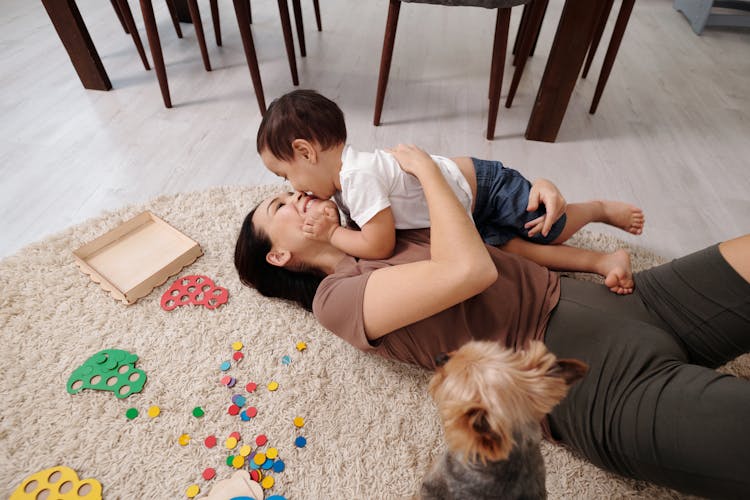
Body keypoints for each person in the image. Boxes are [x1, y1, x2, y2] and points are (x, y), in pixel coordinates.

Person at [235, 144, 750, 499]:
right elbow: (470, 269)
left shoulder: (374, 220)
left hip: (632, 301)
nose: (297, 194)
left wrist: (541, 188)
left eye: (291, 188)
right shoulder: (337, 300)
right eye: (280, 203)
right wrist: (428, 174)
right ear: (279, 256)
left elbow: (475, 188)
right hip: (592, 385)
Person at [256, 90, 645, 294]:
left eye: (285, 175)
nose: (293, 189)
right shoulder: (343, 185)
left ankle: (595, 209)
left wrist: (331, 234)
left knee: (547, 227)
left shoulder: (357, 177)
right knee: (519, 252)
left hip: (485, 188)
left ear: (305, 152)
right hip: (464, 211)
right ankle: (601, 261)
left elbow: (378, 245)